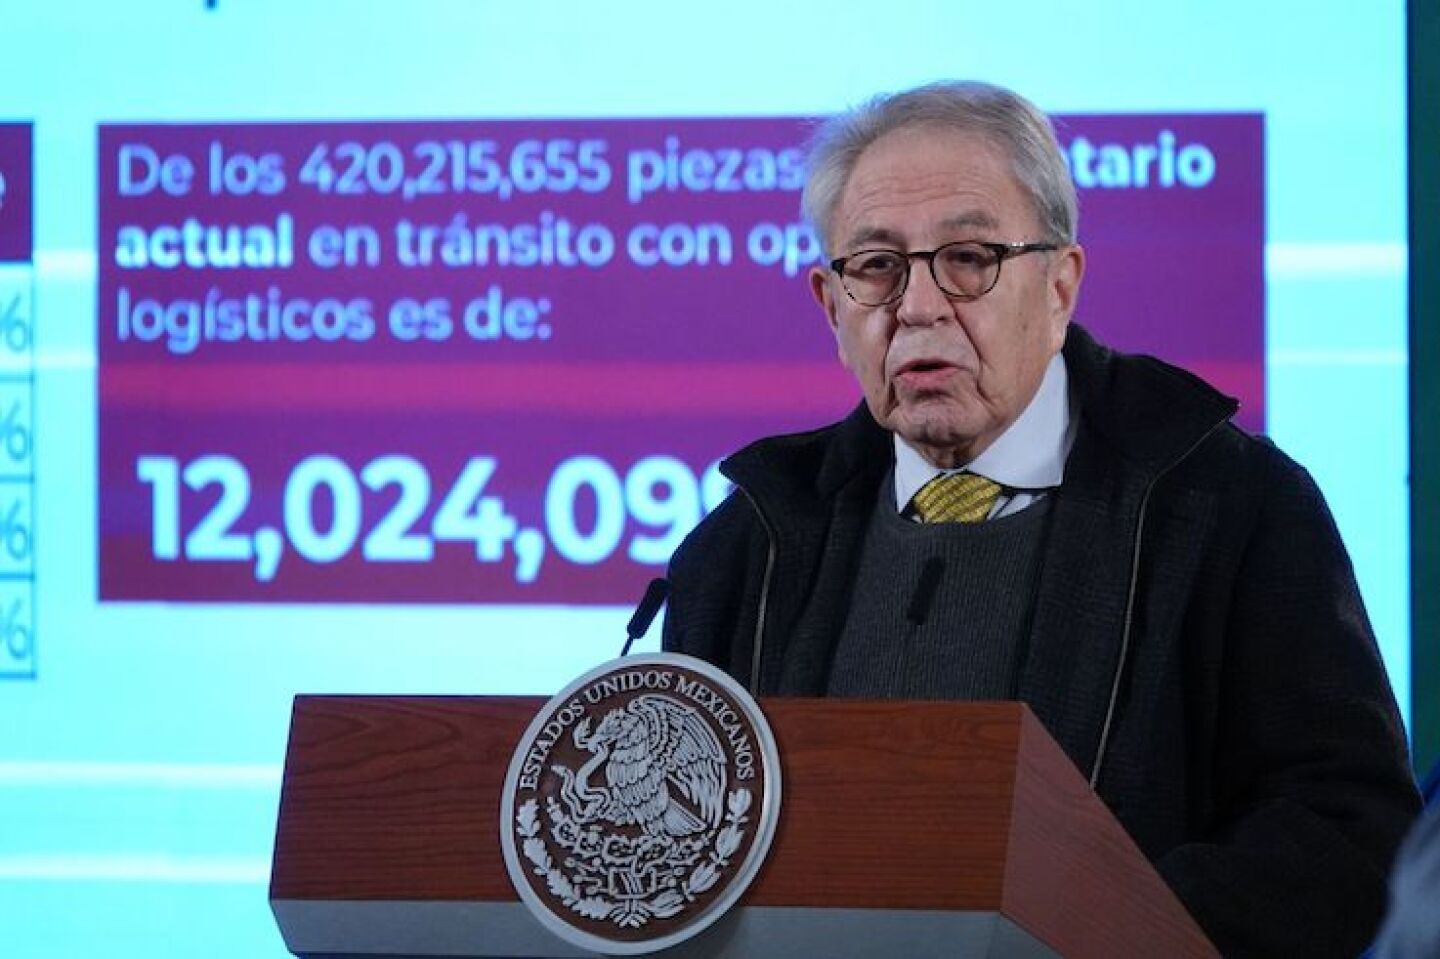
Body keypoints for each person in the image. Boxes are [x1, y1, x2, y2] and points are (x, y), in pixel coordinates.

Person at [661, 81, 1420, 957]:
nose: (919, 306)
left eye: (969, 257)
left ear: (1060, 286)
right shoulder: (744, 547)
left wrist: (1097, 930)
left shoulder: (1232, 509)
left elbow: (1347, 831)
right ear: (833, 307)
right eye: (876, 267)